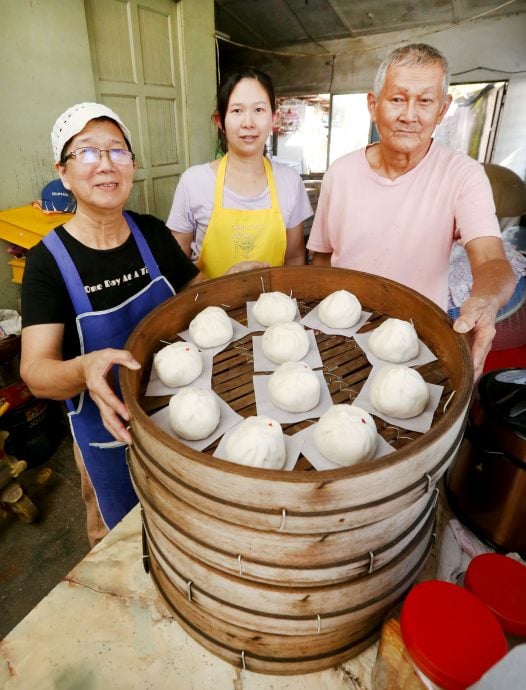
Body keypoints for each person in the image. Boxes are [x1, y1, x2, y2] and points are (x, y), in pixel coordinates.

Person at [19, 102, 252, 547]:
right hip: (108, 434)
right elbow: (36, 372)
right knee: (119, 543)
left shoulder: (151, 232)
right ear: (63, 173)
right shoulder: (48, 262)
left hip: (181, 420)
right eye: (87, 152)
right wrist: (84, 369)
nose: (105, 165)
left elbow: (195, 297)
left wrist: (234, 280)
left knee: (185, 531)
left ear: (132, 164)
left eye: (118, 152)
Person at [307, 43, 515, 379]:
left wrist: (486, 302)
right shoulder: (341, 173)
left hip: (417, 340)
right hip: (340, 333)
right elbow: (321, 260)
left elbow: (491, 258)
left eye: (425, 101)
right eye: (398, 99)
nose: (409, 115)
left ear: (442, 109)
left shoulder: (462, 175)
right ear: (373, 105)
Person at [166, 68, 313, 278]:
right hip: (209, 308)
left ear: (274, 118)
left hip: (274, 308)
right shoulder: (194, 182)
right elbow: (176, 268)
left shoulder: (289, 181)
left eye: (259, 110)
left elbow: (294, 260)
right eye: (236, 111)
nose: (248, 123)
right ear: (220, 121)